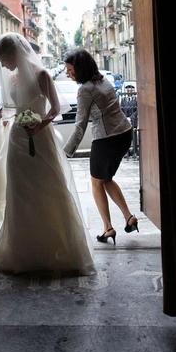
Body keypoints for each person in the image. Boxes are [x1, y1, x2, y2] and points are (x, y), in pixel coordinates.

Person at [0, 32, 95, 277]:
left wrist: (40, 124)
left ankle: (56, 249)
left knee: (48, 190)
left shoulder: (42, 74)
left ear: (13, 53)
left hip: (40, 137)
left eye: (3, 58)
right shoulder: (12, 78)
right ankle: (21, 250)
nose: (2, 64)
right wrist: (7, 121)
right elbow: (11, 109)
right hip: (17, 138)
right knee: (18, 192)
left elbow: (57, 108)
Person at [63, 49, 139, 245]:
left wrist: (66, 152)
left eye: (70, 70)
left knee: (96, 183)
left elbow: (80, 125)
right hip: (124, 132)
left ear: (81, 69)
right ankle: (129, 218)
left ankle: (108, 228)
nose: (68, 74)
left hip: (107, 138)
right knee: (105, 179)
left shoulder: (85, 90)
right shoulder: (103, 81)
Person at [120, 85, 138, 157]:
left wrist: (131, 117)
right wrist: (125, 117)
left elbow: (137, 109)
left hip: (133, 120)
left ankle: (134, 152)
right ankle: (126, 152)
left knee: (134, 136)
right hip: (125, 120)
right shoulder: (123, 99)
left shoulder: (135, 99)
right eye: (127, 90)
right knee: (126, 137)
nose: (129, 91)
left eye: (130, 90)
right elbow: (121, 109)